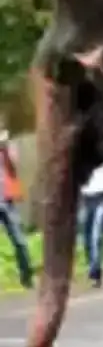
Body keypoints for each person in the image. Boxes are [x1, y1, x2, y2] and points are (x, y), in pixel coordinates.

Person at [0, 123, 31, 290]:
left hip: (8, 199)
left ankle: (27, 276)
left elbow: (15, 162)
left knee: (20, 240)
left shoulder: (8, 146)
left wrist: (5, 146)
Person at [79, 162, 103, 289]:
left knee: (96, 235)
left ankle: (96, 272)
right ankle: (91, 265)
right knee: (86, 236)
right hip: (86, 197)